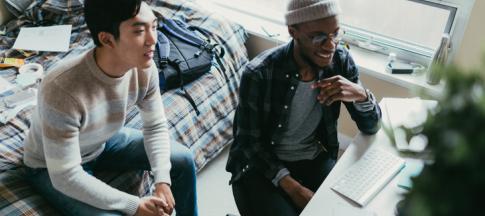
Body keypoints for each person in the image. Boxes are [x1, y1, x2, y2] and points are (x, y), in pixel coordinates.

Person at [22, 0, 198, 215]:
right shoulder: (61, 88)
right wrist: (134, 206)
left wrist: (162, 180)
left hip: (101, 142)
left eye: (153, 26)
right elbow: (65, 175)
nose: (153, 40)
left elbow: (154, 127)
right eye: (139, 31)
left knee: (183, 160)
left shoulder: (145, 68)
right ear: (106, 39)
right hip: (49, 167)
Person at [226, 0, 382, 215]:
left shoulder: (341, 61)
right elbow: (249, 144)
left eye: (336, 34)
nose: (330, 46)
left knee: (348, 210)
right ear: (293, 31)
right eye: (318, 37)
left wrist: (362, 96)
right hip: (261, 166)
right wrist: (294, 189)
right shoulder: (259, 73)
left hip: (312, 158)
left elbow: (371, 127)